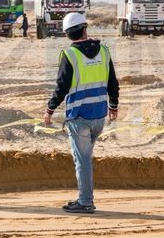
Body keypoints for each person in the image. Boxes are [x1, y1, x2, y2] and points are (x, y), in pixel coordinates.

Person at [44, 12, 119, 213]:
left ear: (67, 34)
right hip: (99, 116)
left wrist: (50, 110)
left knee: (82, 161)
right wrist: (114, 105)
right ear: (85, 28)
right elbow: (113, 81)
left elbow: (61, 87)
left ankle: (85, 202)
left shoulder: (70, 55)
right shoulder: (103, 51)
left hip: (79, 118)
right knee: (84, 159)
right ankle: (84, 198)